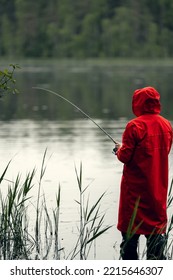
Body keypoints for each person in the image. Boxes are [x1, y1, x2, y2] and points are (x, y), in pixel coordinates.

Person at [114, 86, 173, 260]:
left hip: (134, 193)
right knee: (155, 237)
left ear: (138, 103)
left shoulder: (134, 126)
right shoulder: (166, 124)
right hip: (157, 190)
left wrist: (119, 149)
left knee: (130, 238)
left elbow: (125, 157)